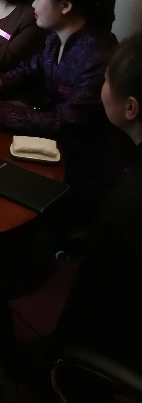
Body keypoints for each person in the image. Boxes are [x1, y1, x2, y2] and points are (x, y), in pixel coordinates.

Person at [0, 0, 121, 201]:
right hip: (51, 149)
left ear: (65, 5)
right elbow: (30, 70)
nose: (32, 4)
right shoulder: (56, 36)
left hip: (79, 170)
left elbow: (63, 122)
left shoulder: (97, 55)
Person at [54, 34, 142, 372]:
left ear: (131, 107)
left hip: (109, 347)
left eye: (106, 79)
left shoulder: (127, 204)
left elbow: (91, 300)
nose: (100, 86)